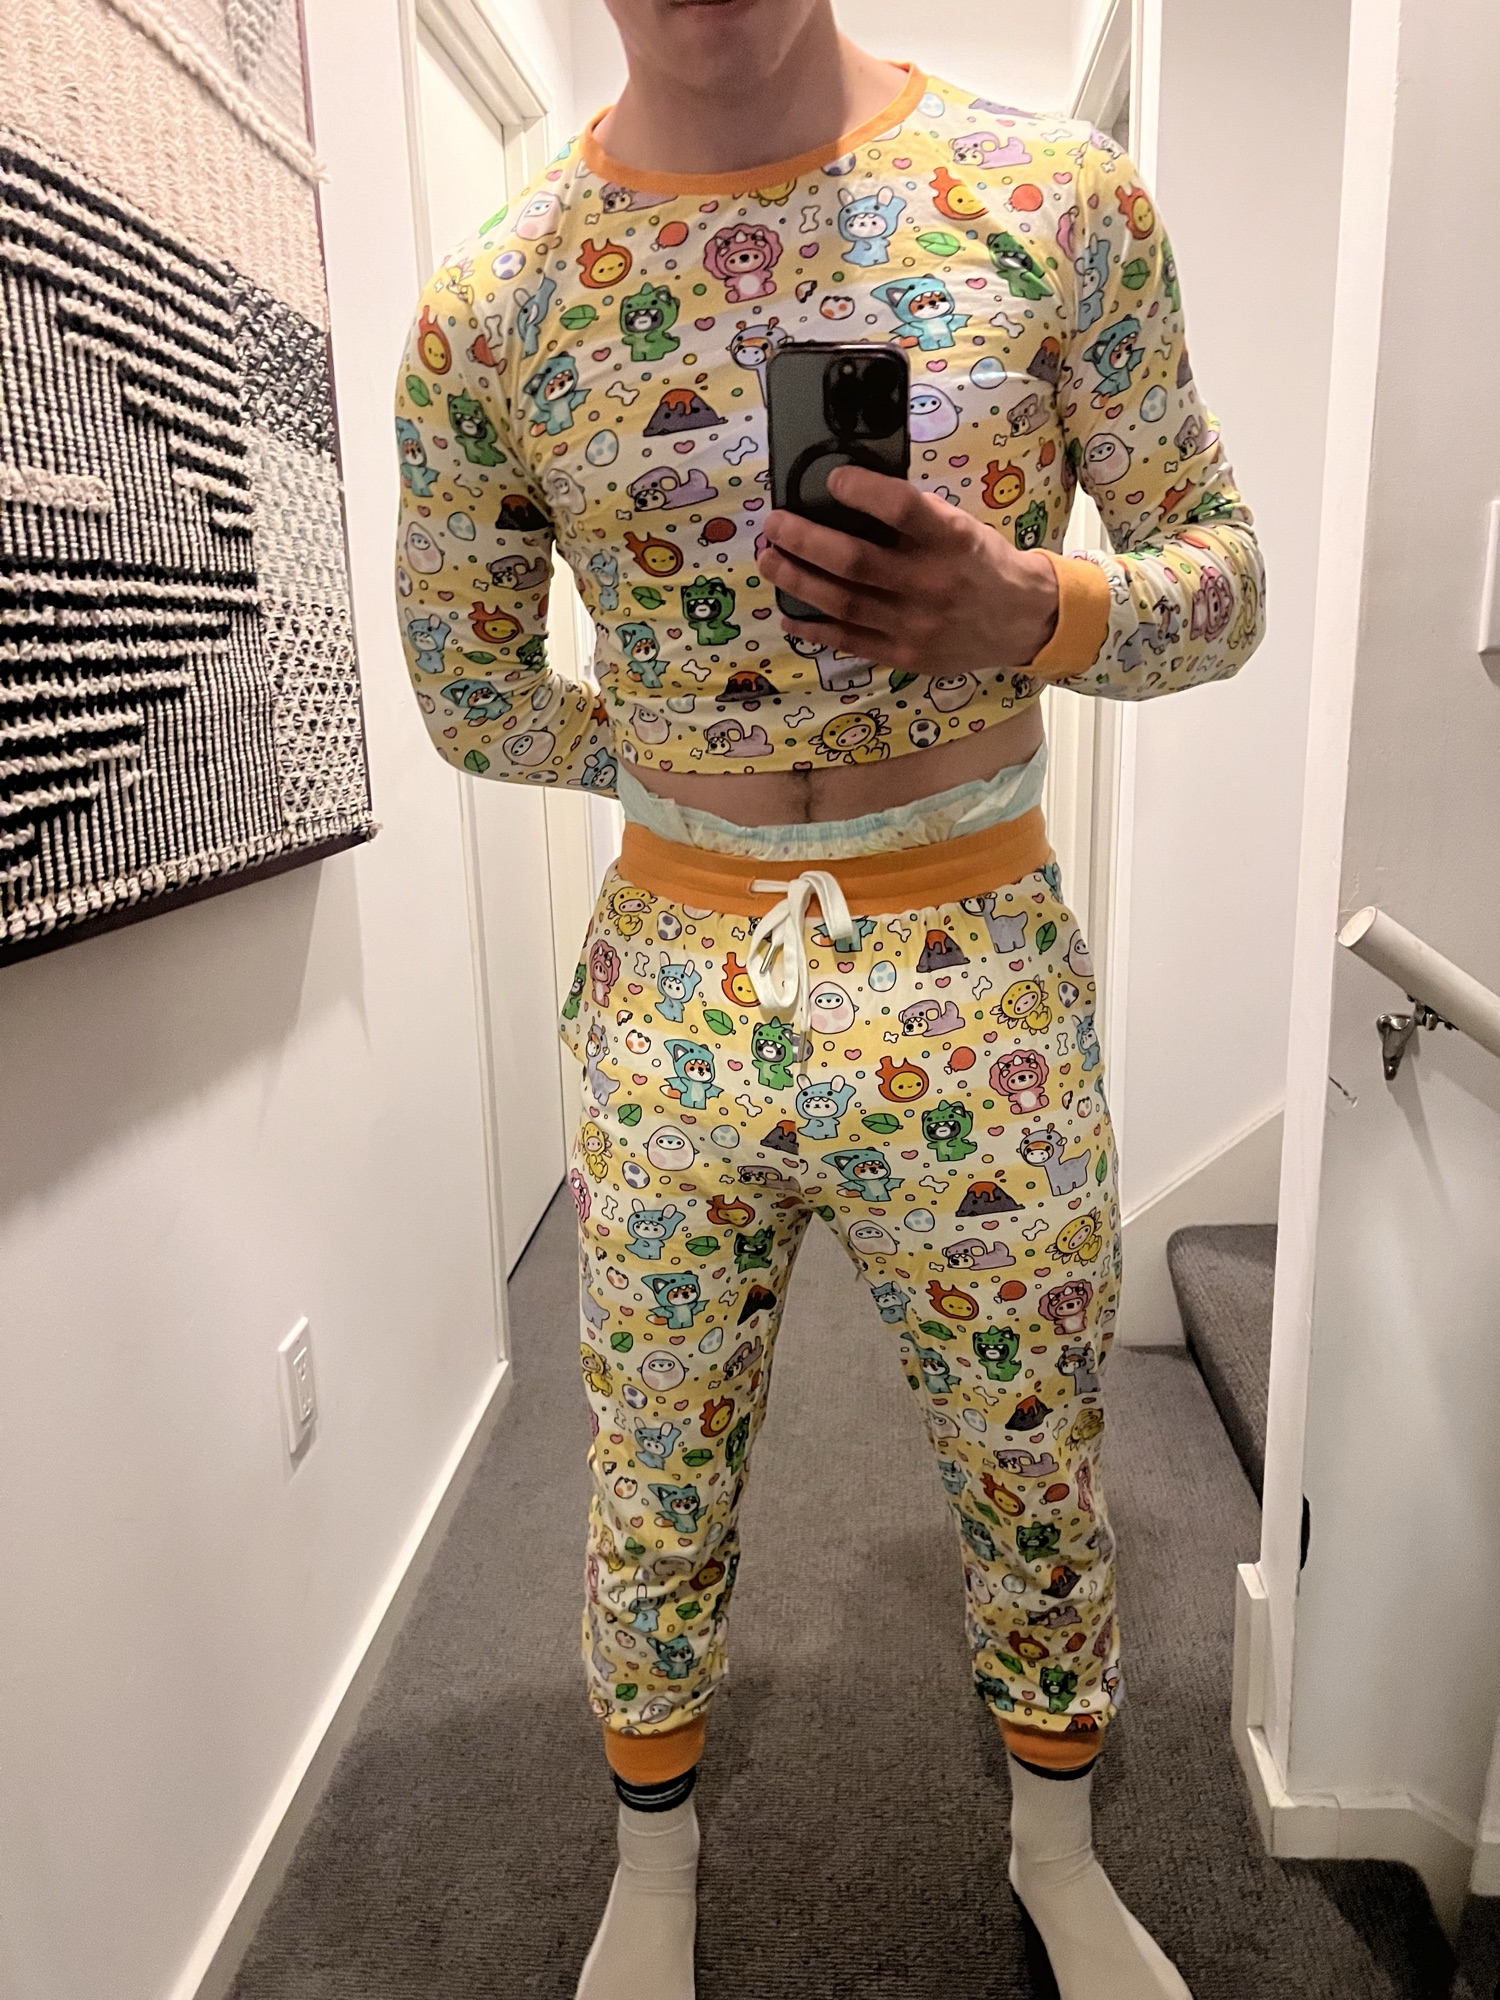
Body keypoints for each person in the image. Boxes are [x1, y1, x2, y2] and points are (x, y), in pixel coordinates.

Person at [395, 3, 1263, 1994]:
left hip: (977, 971)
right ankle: (655, 1870)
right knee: (653, 1457)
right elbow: (466, 688)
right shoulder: (492, 308)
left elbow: (1227, 578)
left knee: (1035, 1444)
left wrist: (1030, 610)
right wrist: (676, 759)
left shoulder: (1054, 203)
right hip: (674, 987)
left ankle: (1057, 1847)